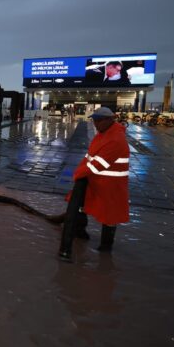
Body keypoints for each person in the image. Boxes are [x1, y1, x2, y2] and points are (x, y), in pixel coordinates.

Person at [59, 106, 130, 262]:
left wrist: (78, 174)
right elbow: (89, 157)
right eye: (94, 120)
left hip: (111, 186)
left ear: (109, 120)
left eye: (98, 121)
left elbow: (96, 165)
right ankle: (80, 233)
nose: (96, 124)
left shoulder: (116, 140)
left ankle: (105, 247)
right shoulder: (103, 135)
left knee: (109, 216)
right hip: (95, 181)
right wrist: (80, 173)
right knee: (78, 205)